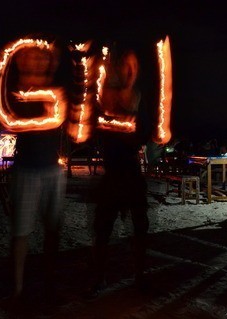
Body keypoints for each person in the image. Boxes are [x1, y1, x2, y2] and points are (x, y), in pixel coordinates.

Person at [88, 45, 152, 298]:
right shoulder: (103, 98)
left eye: (129, 67)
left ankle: (139, 276)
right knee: (103, 230)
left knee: (139, 229)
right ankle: (100, 277)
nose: (124, 71)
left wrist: (129, 126)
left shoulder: (136, 98)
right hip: (113, 175)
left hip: (132, 175)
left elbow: (144, 134)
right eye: (120, 66)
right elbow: (96, 130)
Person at [6, 40, 67, 301]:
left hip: (52, 170)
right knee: (21, 233)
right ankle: (18, 288)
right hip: (26, 170)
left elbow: (60, 117)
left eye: (42, 58)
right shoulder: (16, 92)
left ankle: (51, 283)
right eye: (32, 57)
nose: (37, 62)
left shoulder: (55, 92)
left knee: (53, 231)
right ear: (22, 61)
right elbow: (13, 122)